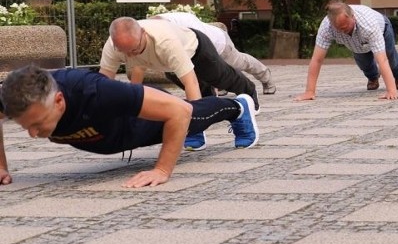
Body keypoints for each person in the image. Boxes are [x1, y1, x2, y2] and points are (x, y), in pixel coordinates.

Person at [0, 65, 259, 188]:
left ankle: (238, 107)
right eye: (25, 126)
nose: (33, 135)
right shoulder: (13, 98)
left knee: (191, 117)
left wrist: (161, 170)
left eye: (37, 124)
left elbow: (180, 111)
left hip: (137, 123)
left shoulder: (95, 91)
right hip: (103, 137)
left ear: (59, 100)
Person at [99, 17, 259, 151]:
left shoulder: (165, 41)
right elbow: (103, 86)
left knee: (220, 78)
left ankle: (247, 96)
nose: (128, 55)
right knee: (203, 94)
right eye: (123, 51)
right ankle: (207, 103)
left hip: (195, 49)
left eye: (134, 50)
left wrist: (195, 123)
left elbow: (191, 83)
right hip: (166, 63)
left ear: (143, 33)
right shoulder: (114, 46)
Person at [295, 1, 398, 101]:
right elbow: (317, 59)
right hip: (355, 43)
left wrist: (391, 91)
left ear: (353, 17)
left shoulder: (368, 24)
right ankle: (373, 78)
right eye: (338, 29)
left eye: (345, 26)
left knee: (390, 57)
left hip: (382, 29)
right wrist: (310, 91)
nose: (343, 31)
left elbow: (382, 60)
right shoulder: (326, 27)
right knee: (364, 64)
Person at [151, 11, 276, 95]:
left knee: (239, 63)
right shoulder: (155, 26)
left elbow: (200, 52)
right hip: (198, 48)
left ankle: (266, 76)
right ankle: (215, 89)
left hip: (218, 43)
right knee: (173, 71)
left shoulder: (182, 25)